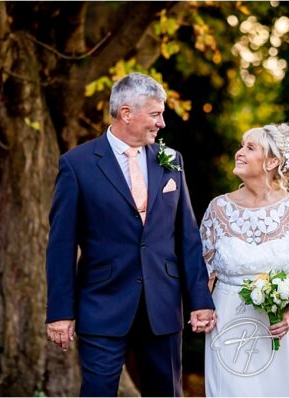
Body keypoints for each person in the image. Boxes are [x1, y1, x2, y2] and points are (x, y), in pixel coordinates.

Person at [45, 72, 215, 397]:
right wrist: (60, 312)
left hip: (163, 306)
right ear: (126, 113)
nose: (162, 123)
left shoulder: (172, 162)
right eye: (155, 114)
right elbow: (61, 247)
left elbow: (187, 238)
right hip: (102, 303)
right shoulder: (77, 165)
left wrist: (200, 301)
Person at [200, 123, 289, 396]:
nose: (239, 152)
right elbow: (203, 272)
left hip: (285, 328)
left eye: (250, 147)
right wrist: (200, 308)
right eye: (241, 145)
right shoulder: (218, 209)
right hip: (230, 325)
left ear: (272, 161)